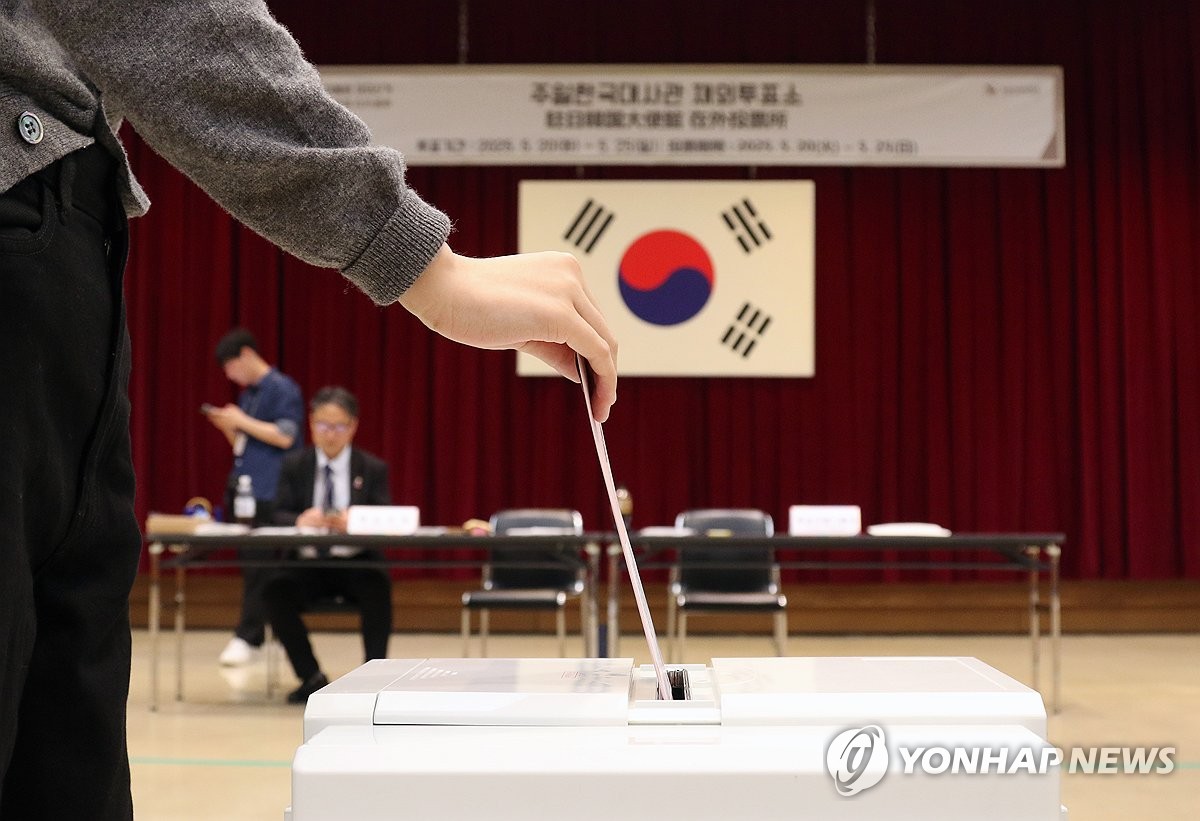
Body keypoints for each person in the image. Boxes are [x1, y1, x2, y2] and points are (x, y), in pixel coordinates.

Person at [0, 3, 616, 819]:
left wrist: (416, 257)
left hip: (69, 233)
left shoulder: (283, 402)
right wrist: (417, 258)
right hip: (35, 234)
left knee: (64, 743)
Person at [263, 386, 392, 704]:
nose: (330, 434)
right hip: (307, 562)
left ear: (353, 427)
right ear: (311, 424)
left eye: (338, 426)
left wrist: (355, 521)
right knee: (275, 591)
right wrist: (301, 520)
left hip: (355, 561)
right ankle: (310, 677)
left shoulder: (372, 468)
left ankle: (373, 677)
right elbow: (276, 513)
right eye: (323, 425)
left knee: (378, 587)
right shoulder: (295, 465)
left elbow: (385, 517)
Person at [206, 327, 305, 667]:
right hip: (247, 489)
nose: (230, 375)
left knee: (263, 566)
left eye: (231, 366)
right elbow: (246, 445)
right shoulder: (250, 395)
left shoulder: (281, 388)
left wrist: (241, 420)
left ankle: (248, 635)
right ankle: (256, 635)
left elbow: (286, 437)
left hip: (271, 490)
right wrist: (229, 427)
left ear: (247, 354)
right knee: (253, 566)